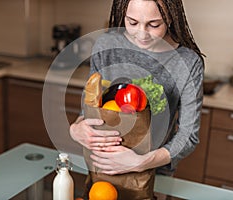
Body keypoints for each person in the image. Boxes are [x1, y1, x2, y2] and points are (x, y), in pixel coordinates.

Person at [70, 0, 204, 179]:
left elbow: (188, 136)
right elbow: (89, 110)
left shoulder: (187, 62)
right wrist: (76, 129)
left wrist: (141, 163)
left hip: (155, 174)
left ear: (171, 18)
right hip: (103, 166)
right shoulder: (106, 45)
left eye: (154, 24)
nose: (142, 33)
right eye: (132, 22)